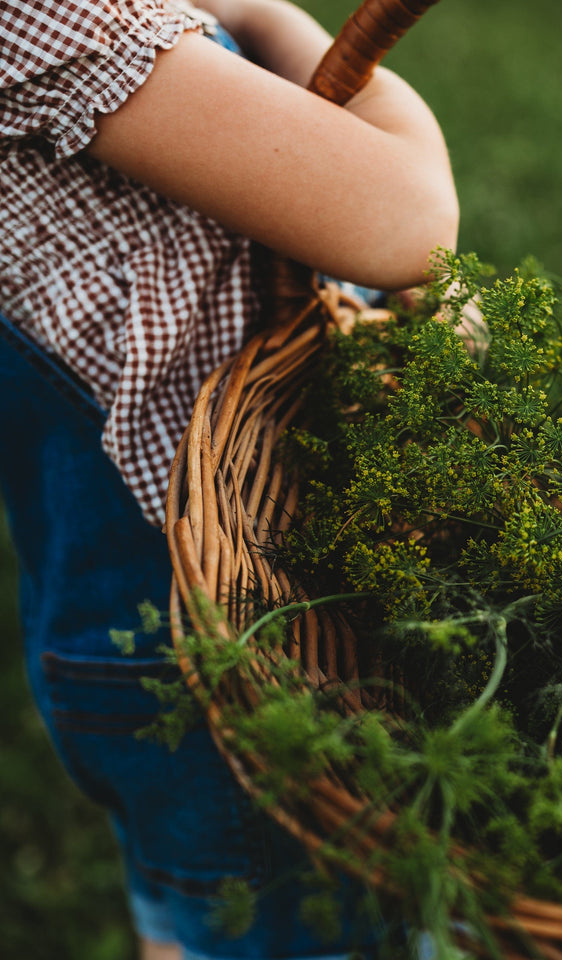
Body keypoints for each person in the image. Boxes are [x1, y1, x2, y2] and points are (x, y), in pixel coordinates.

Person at [0, 1, 458, 957]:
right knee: (297, 929)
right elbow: (407, 219)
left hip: (247, 596)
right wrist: (265, 13)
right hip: (208, 642)